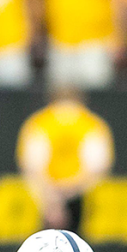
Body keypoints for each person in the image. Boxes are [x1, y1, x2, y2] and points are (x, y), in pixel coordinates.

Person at [16, 86, 114, 233]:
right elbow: (99, 167)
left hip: (47, 193)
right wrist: (69, 192)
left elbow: (31, 166)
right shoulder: (91, 123)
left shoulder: (40, 122)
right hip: (79, 195)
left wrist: (52, 201)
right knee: (78, 247)